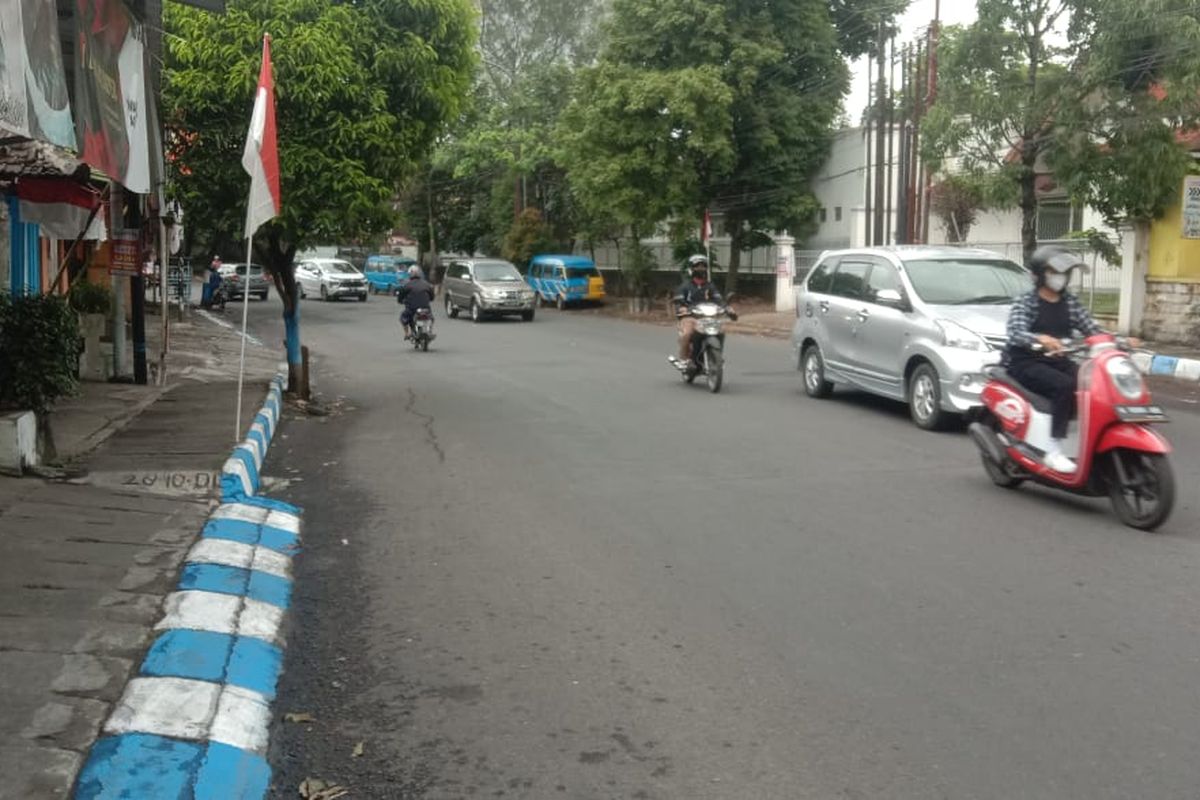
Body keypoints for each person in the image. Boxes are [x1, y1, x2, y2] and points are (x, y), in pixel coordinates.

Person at [1004, 245, 1111, 473]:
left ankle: (1087, 442)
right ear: (1041, 275)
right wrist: (1040, 338)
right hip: (1026, 362)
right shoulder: (1026, 302)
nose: (1059, 277)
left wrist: (1118, 341)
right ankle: (1053, 450)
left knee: (1093, 383)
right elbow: (1016, 331)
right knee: (1065, 386)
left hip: (1058, 360)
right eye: (1054, 272)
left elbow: (1092, 328)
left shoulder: (1070, 302)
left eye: (1063, 272)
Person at [670, 255, 736, 366]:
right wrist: (682, 308)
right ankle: (684, 360)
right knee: (687, 334)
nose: (701, 269)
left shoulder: (710, 286)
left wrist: (728, 308)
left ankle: (717, 356)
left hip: (708, 317)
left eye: (703, 266)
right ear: (692, 268)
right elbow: (678, 301)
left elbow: (718, 299)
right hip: (690, 317)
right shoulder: (685, 286)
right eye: (697, 266)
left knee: (721, 331)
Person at [397, 265, 435, 340]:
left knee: (403, 317)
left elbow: (401, 296)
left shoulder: (407, 285)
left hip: (412, 309)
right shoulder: (426, 284)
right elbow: (432, 297)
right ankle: (429, 330)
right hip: (425, 308)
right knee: (431, 318)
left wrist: (400, 301)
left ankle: (407, 333)